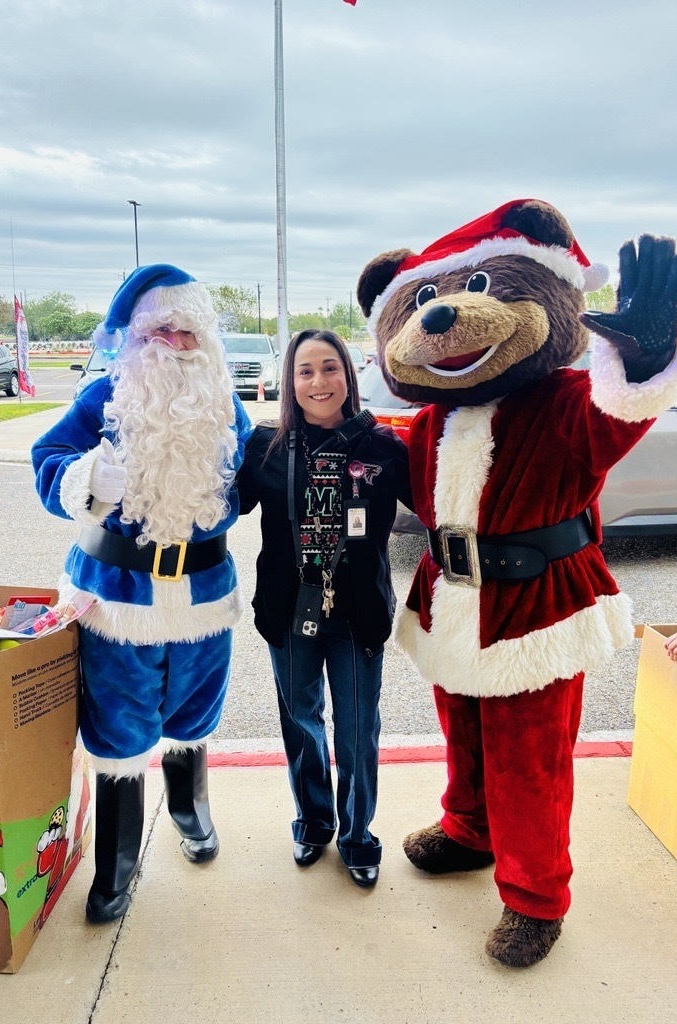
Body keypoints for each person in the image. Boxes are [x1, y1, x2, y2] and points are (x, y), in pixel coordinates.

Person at [32, 265, 252, 924]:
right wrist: (84, 478)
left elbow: (253, 475)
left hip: (204, 596)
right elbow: (48, 460)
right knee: (118, 728)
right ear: (134, 337)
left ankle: (189, 810)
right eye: (162, 332)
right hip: (117, 598)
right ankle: (118, 863)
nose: (176, 345)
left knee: (194, 713)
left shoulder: (226, 404)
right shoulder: (102, 397)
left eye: (188, 333)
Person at [237, 329, 412, 888]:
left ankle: (358, 836)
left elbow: (439, 503)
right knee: (301, 720)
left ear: (348, 375)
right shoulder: (265, 446)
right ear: (290, 380)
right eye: (305, 370)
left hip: (358, 612)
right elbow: (219, 505)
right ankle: (313, 821)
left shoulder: (382, 446)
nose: (319, 381)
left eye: (330, 367)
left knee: (358, 728)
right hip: (289, 611)